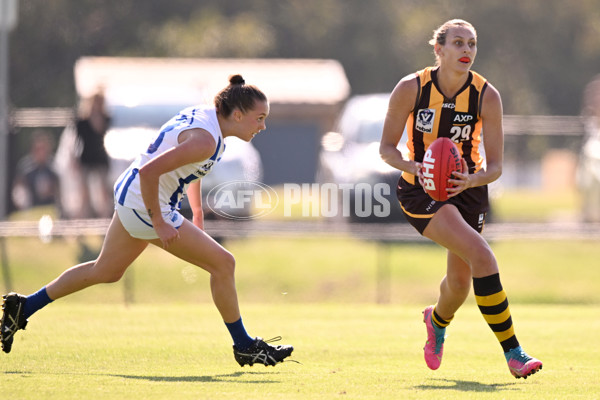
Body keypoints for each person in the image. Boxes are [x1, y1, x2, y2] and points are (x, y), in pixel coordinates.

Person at [1, 75, 294, 367]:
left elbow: (186, 167)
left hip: (134, 195)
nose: (263, 126)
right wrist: (160, 221)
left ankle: (25, 306)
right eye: (260, 118)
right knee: (223, 263)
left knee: (105, 270)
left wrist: (197, 211)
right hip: (145, 201)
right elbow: (150, 173)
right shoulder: (207, 139)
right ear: (238, 115)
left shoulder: (208, 121)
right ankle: (243, 345)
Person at [379, 19, 542, 379]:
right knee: (483, 255)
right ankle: (514, 352)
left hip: (468, 189)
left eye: (472, 44)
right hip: (420, 191)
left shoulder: (487, 95)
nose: (466, 50)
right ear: (438, 50)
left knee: (459, 283)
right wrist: (416, 167)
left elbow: (496, 166)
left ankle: (436, 321)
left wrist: (472, 178)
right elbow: (386, 150)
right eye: (457, 43)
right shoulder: (411, 88)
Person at [74, 91, 113, 218]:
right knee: (84, 193)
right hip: (86, 158)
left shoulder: (106, 118)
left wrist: (97, 116)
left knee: (104, 192)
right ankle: (84, 219)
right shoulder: (82, 121)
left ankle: (105, 218)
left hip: (100, 158)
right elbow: (77, 141)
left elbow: (101, 129)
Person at [11, 129, 61, 213]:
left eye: (43, 149)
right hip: (30, 211)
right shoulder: (25, 167)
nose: (41, 152)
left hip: (52, 211)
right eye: (38, 149)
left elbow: (61, 191)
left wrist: (52, 190)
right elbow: (18, 189)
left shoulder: (56, 167)